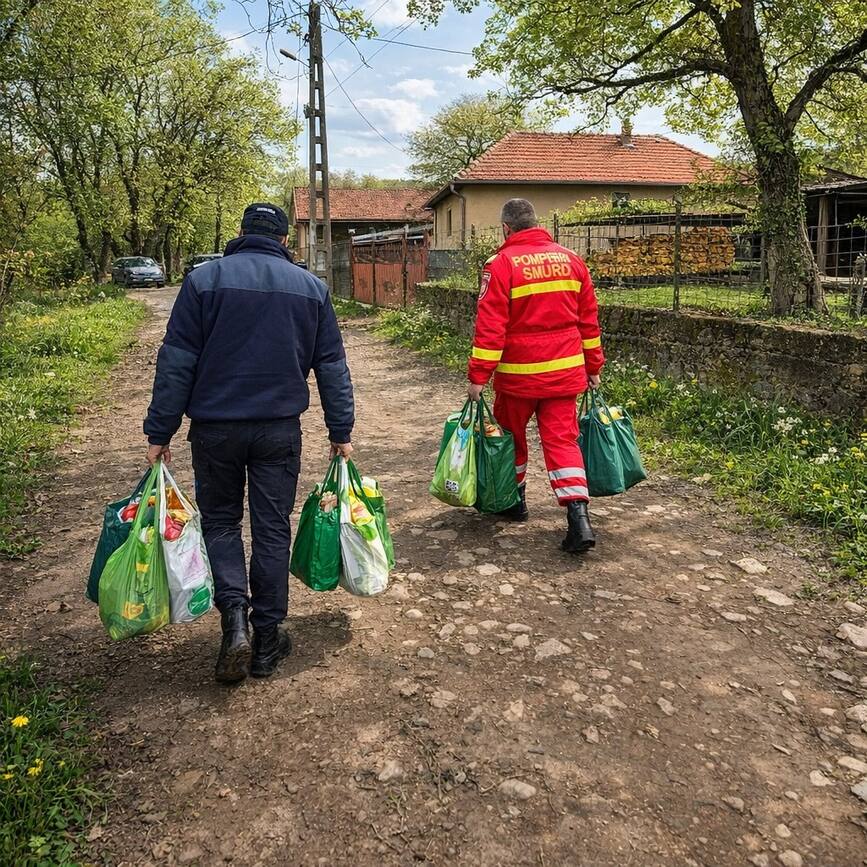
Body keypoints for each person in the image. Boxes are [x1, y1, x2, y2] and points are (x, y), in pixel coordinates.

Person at [143, 203, 354, 684]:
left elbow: (177, 361)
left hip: (215, 430)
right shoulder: (312, 289)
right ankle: (266, 641)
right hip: (279, 430)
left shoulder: (203, 282)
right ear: (284, 240)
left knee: (220, 522)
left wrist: (160, 431)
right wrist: (340, 431)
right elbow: (332, 367)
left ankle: (233, 621)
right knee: (272, 527)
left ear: (239, 234)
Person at [467, 198, 604, 553]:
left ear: (505, 229)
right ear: (536, 223)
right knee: (562, 442)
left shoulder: (499, 264)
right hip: (565, 375)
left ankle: (516, 503)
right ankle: (579, 518)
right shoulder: (572, 260)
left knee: (510, 439)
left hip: (519, 377)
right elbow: (589, 322)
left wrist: (479, 376)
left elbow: (490, 326)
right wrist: (594, 366)